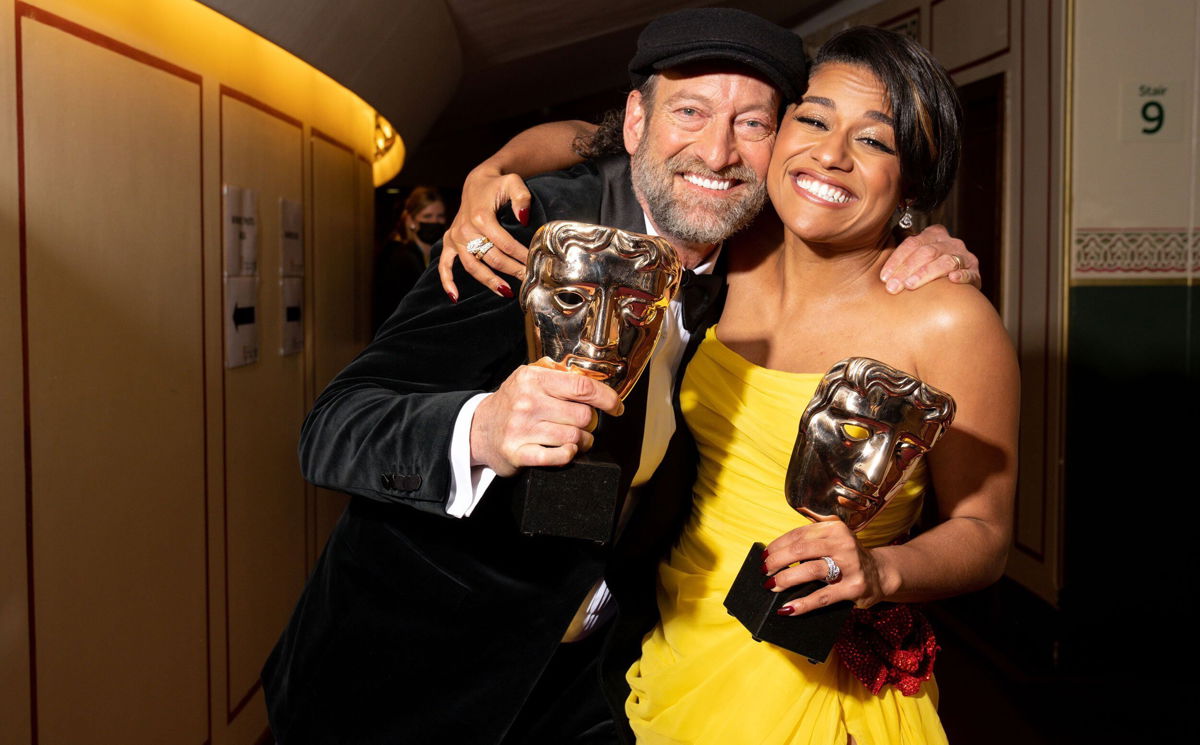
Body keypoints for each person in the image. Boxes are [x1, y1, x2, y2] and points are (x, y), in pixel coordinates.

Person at [262, 10, 978, 745]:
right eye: (690, 111)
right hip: (402, 687)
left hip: (601, 689)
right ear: (636, 119)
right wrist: (482, 428)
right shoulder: (521, 235)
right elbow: (333, 425)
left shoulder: (751, 259)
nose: (717, 150)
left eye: (753, 123)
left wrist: (921, 238)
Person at [441, 24, 1016, 745]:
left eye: (874, 140)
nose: (831, 155)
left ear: (914, 178)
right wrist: (487, 171)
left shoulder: (948, 319)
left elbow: (986, 535)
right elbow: (607, 137)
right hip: (669, 642)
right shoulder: (732, 247)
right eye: (813, 119)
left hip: (810, 683)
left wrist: (880, 570)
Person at [372, 185, 445, 331]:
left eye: (440, 216)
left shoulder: (440, 255)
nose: (435, 222)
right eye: (427, 216)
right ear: (412, 221)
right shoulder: (400, 258)